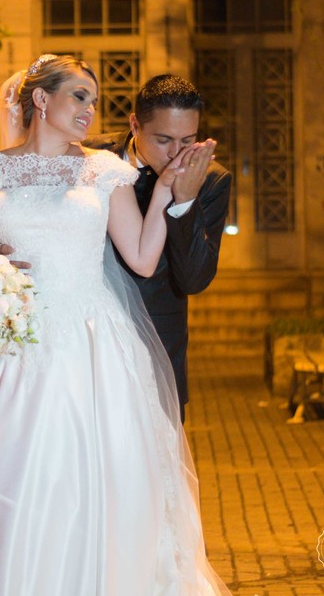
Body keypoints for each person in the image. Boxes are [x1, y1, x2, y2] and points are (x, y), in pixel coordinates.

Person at [0, 54, 230, 595]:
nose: (90, 109)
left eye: (95, 100)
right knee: (21, 484)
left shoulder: (106, 172)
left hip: (94, 345)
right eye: (79, 96)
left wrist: (173, 196)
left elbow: (145, 261)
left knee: (102, 485)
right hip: (14, 353)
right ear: (40, 99)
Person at [84, 74, 232, 420]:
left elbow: (194, 279)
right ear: (135, 124)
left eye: (188, 140)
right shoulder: (87, 156)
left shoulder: (211, 179)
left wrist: (184, 202)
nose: (176, 153)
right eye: (163, 139)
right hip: (83, 344)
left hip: (155, 352)